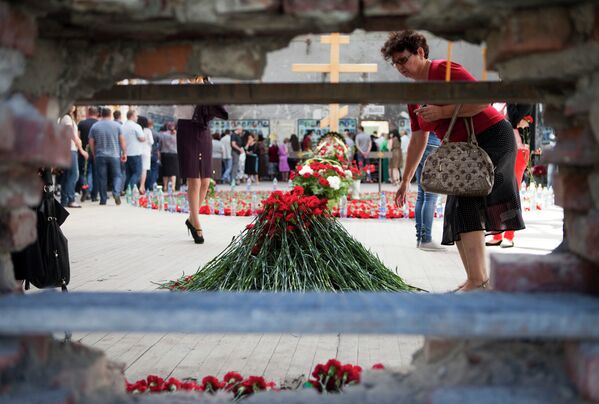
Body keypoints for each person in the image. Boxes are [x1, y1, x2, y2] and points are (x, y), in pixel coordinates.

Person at [382, 30, 524, 291]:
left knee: (466, 203)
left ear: (421, 53)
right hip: (467, 149)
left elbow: (482, 99)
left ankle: (478, 281)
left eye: (403, 59)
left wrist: (443, 111)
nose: (400, 67)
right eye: (395, 63)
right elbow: (418, 139)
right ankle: (476, 279)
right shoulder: (413, 95)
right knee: (457, 211)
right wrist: (405, 181)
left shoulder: (444, 70)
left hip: (492, 137)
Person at [177, 99, 228, 244]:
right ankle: (197, 223)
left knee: (205, 180)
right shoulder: (178, 81)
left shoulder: (206, 83)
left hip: (203, 128)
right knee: (194, 179)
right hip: (186, 128)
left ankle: (192, 219)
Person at [486, 104, 534, 248]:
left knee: (511, 190)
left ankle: (509, 234)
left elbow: (514, 119)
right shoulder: (494, 98)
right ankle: (497, 233)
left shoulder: (521, 97)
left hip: (517, 148)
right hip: (496, 147)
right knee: (495, 190)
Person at [88, 107, 126, 205]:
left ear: (101, 114)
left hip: (100, 155)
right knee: (117, 175)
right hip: (114, 155)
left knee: (102, 177)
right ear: (110, 114)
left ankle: (103, 199)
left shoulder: (95, 126)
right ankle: (116, 192)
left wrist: (94, 154)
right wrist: (124, 153)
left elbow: (91, 142)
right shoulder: (117, 126)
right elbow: (122, 141)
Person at [414, 132, 444, 251]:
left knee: (421, 195)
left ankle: (420, 238)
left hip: (418, 145)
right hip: (433, 144)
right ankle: (426, 239)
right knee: (430, 197)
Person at [59, 106, 88, 208]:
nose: (74, 106)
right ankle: (70, 199)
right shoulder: (66, 118)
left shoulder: (65, 118)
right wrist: (81, 149)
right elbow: (70, 132)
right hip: (70, 149)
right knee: (73, 174)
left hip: (68, 149)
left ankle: (64, 200)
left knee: (67, 176)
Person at [76, 106, 99, 201]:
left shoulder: (81, 123)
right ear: (97, 113)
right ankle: (94, 196)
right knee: (95, 174)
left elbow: (78, 137)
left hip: (84, 151)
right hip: (96, 152)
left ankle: (85, 189)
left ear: (88, 113)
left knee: (84, 173)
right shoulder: (98, 124)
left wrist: (80, 149)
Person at [122, 109, 145, 193]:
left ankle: (126, 189)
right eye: (136, 116)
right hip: (135, 153)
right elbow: (141, 138)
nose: (137, 118)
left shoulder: (122, 126)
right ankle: (130, 189)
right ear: (132, 116)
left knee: (128, 173)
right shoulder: (136, 126)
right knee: (137, 173)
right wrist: (145, 137)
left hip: (126, 153)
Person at [158, 122, 178, 192]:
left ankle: (165, 187)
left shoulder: (163, 134)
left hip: (165, 154)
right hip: (174, 154)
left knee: (165, 172)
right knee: (173, 172)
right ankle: (173, 187)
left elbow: (160, 145)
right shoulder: (177, 135)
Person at [137, 115, 154, 194]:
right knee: (144, 170)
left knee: (138, 170)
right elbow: (152, 142)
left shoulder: (137, 128)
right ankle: (142, 186)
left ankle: (138, 186)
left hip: (137, 151)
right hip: (146, 151)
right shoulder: (148, 130)